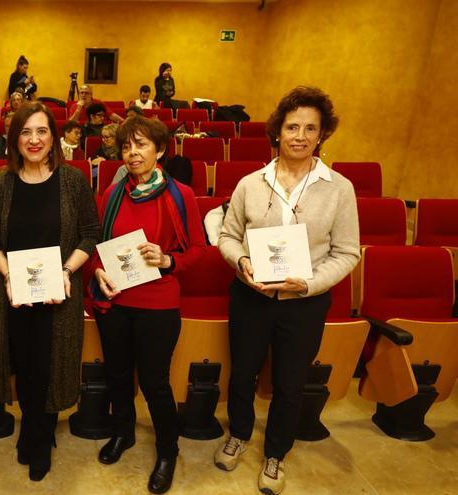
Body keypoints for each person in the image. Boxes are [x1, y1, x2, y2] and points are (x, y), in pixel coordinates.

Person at [215, 86, 360, 495]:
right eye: (292, 126)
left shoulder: (338, 188)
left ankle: (276, 453)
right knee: (242, 374)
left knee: (290, 382)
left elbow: (348, 253)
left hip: (304, 303)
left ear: (322, 134)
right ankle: (239, 433)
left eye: (310, 128)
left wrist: (310, 283)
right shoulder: (250, 183)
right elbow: (228, 237)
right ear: (277, 131)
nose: (300, 135)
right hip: (251, 296)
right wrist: (241, 262)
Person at [0, 102, 100, 482]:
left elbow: (90, 234)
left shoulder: (73, 180)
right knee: (23, 362)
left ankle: (40, 433)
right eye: (25, 132)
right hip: (15, 292)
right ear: (14, 139)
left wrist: (67, 271)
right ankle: (32, 426)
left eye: (42, 131)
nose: (34, 140)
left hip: (59, 293)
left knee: (52, 363)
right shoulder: (3, 181)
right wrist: (8, 276)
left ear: (54, 137)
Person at [89, 116, 204, 494]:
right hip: (116, 301)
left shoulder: (180, 194)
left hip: (158, 303)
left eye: (141, 145)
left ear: (160, 150)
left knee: (155, 382)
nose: (132, 153)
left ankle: (167, 451)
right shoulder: (112, 194)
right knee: (118, 376)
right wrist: (97, 271)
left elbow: (199, 252)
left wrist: (168, 259)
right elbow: (95, 247)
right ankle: (124, 433)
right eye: (126, 146)